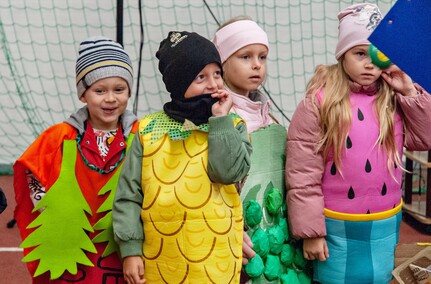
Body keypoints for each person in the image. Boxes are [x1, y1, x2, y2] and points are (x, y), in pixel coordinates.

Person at [286, 3, 431, 284]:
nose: (369, 63)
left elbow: (425, 138)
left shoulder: (394, 100)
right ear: (342, 54)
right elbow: (302, 173)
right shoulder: (318, 103)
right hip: (333, 226)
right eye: (359, 53)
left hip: (385, 224)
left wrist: (409, 90)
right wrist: (311, 231)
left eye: (377, 55)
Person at [112, 31, 252, 284]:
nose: (213, 84)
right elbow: (128, 194)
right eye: (201, 76)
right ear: (178, 83)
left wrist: (220, 121)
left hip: (217, 259)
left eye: (217, 73)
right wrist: (130, 250)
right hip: (162, 259)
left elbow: (228, 172)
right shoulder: (148, 129)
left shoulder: (233, 125)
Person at [13, 36, 137, 283]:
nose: (110, 99)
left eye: (119, 89)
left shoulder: (141, 135)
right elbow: (31, 168)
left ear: (129, 91)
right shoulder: (59, 137)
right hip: (70, 249)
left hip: (121, 250)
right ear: (83, 94)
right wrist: (50, 206)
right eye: (99, 90)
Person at [213, 17, 311, 283]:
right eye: (245, 56)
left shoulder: (270, 118)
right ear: (222, 64)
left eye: (262, 56)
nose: (257, 64)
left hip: (277, 243)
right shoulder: (218, 120)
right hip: (238, 244)